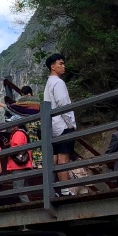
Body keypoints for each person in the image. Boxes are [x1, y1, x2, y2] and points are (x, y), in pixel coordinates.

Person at [43, 54, 76, 187]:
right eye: (60, 63)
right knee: (64, 158)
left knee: (56, 158)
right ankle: (65, 189)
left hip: (53, 126)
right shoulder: (58, 82)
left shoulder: (49, 83)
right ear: (52, 66)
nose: (63, 66)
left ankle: (57, 188)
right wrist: (70, 124)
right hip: (62, 125)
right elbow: (63, 103)